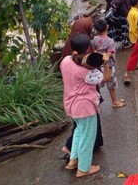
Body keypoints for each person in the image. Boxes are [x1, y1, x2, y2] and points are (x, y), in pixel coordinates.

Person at [60, 34, 103, 177]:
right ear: (87, 50)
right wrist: (106, 62)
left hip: (70, 104)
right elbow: (103, 78)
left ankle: (73, 161)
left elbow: (74, 60)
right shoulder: (86, 71)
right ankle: (83, 169)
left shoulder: (65, 61)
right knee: (87, 137)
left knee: (79, 132)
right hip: (84, 108)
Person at [91, 19, 126, 108]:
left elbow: (93, 50)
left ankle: (95, 102)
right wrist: (105, 56)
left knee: (97, 85)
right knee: (111, 85)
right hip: (108, 66)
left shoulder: (94, 39)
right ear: (107, 27)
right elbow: (109, 54)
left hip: (98, 66)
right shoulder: (110, 41)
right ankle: (115, 102)